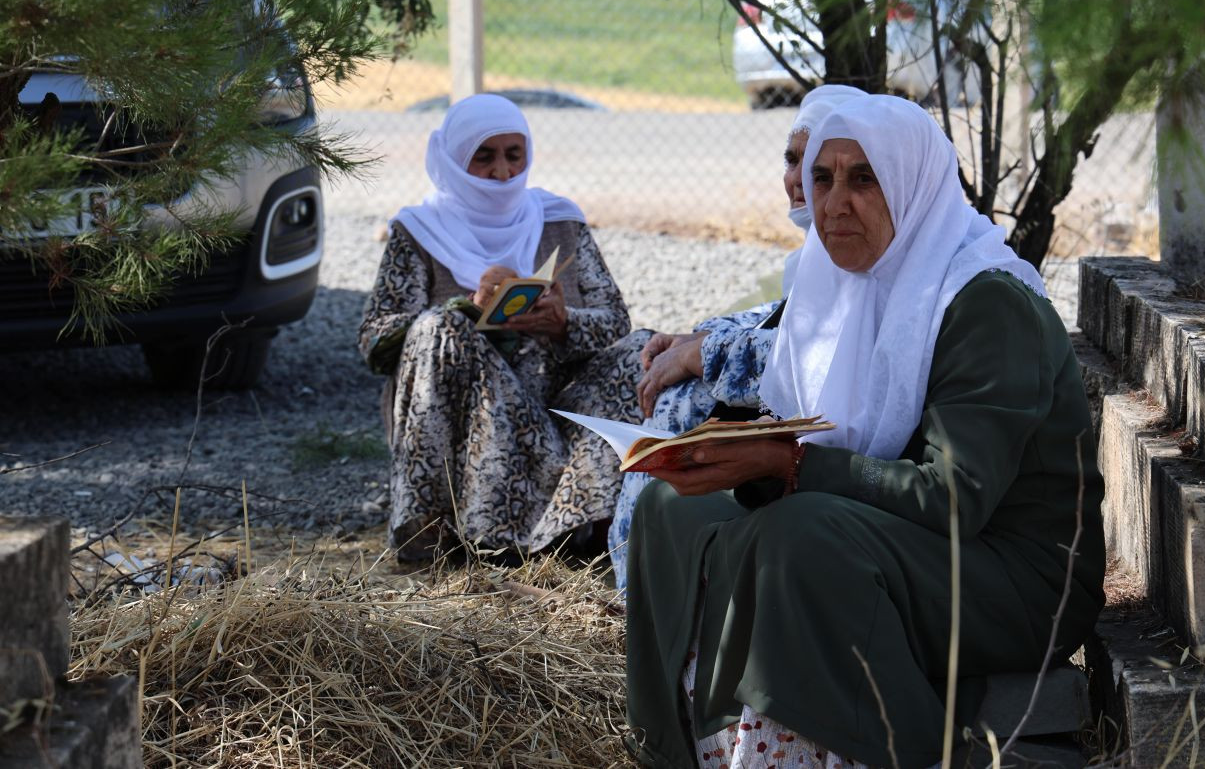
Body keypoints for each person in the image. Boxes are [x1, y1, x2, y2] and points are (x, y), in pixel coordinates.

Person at [624, 95, 1105, 768]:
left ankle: (890, 747)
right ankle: (688, 746)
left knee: (797, 535)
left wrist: (789, 467)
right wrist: (736, 453)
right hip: (895, 534)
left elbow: (954, 496)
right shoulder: (839, 284)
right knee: (671, 509)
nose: (835, 204)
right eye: (822, 178)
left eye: (863, 179)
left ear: (910, 184)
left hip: (1016, 577)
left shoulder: (985, 300)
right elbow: (820, 436)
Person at [357, 93, 646, 562]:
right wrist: (466, 312)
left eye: (515, 156)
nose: (502, 173)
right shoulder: (418, 230)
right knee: (437, 329)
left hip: (556, 405)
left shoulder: (561, 221)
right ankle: (448, 535)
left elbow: (616, 321)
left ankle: (589, 528)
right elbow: (375, 338)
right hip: (471, 415)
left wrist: (562, 323)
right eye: (484, 157)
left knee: (645, 349)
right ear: (452, 160)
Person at [608, 85, 866, 590]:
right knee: (639, 355)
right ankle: (634, 577)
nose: (797, 180)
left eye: (816, 165)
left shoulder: (870, 251)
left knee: (681, 399)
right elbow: (783, 315)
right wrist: (695, 338)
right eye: (795, 162)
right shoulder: (814, 257)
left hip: (841, 457)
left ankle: (643, 590)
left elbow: (812, 350)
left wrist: (699, 353)